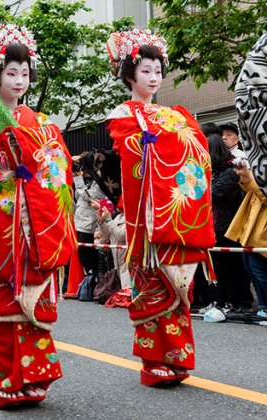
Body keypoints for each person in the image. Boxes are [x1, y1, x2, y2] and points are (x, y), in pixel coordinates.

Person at [0, 24, 77, 409]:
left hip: (39, 222)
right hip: (5, 222)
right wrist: (13, 158)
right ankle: (9, 379)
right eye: (11, 72)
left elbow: (57, 161)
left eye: (24, 73)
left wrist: (41, 158)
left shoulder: (40, 121)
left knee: (37, 298)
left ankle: (36, 376)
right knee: (8, 300)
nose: (19, 80)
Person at [105, 29, 215, 387]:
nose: (153, 78)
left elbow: (196, 157)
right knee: (151, 287)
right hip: (145, 220)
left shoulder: (174, 115)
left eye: (157, 71)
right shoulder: (124, 113)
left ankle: (179, 359)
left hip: (174, 212)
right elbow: (131, 156)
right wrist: (155, 143)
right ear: (129, 74)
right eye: (145, 71)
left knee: (178, 289)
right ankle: (153, 362)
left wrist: (165, 141)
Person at [228, 32, 267, 320]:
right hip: (256, 213)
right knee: (251, 262)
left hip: (261, 214)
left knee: (256, 264)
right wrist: (246, 177)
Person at [207, 134, 253, 313]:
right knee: (221, 268)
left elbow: (214, 194)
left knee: (235, 268)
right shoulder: (217, 172)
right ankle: (225, 300)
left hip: (229, 227)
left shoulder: (229, 171)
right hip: (217, 227)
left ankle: (241, 301)